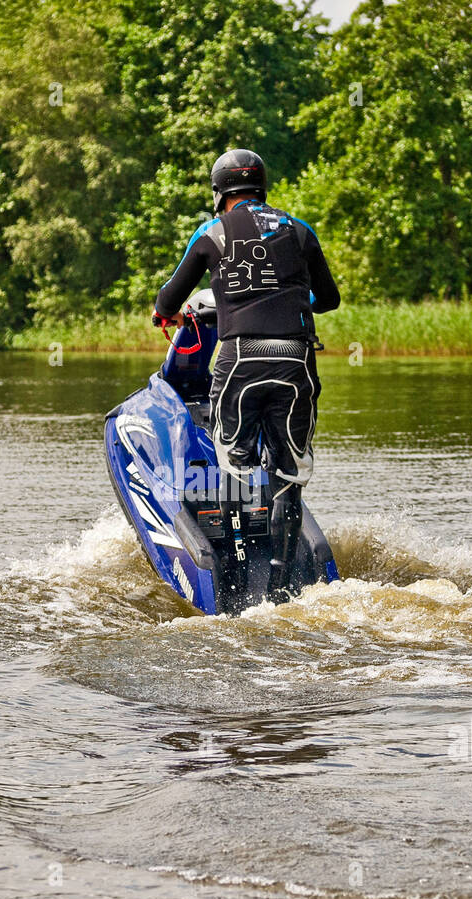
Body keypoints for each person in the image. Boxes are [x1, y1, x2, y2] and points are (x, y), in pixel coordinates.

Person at [153, 148, 341, 600]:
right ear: (262, 188)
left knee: (233, 469)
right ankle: (280, 591)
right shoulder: (299, 229)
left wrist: (169, 315)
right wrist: (289, 305)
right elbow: (329, 298)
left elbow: (168, 299)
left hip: (240, 360)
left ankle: (234, 582)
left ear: (219, 194)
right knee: (289, 476)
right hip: (295, 360)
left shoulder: (210, 232)